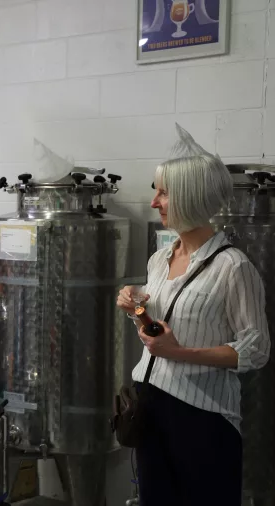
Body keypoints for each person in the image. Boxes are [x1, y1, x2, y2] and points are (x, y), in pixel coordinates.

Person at [116, 149, 270, 505]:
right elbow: (157, 331)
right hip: (150, 404)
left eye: (164, 193)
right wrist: (134, 305)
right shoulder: (160, 259)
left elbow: (257, 349)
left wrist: (181, 353)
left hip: (202, 416)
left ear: (191, 197)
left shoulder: (233, 267)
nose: (153, 202)